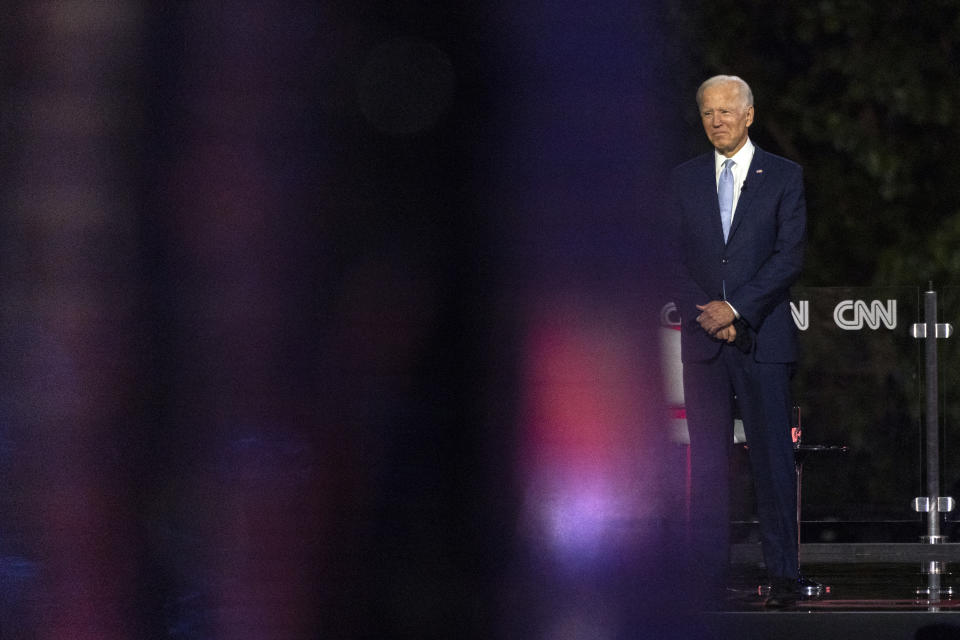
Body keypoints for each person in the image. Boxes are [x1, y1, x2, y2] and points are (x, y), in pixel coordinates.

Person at [667, 75, 807, 608]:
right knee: (706, 463)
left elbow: (789, 256)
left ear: (749, 115)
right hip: (705, 343)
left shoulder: (785, 176)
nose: (717, 120)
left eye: (726, 111)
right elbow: (667, 254)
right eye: (707, 112)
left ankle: (783, 574)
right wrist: (709, 315)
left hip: (762, 338)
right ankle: (706, 572)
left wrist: (736, 308)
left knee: (772, 459)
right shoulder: (681, 180)